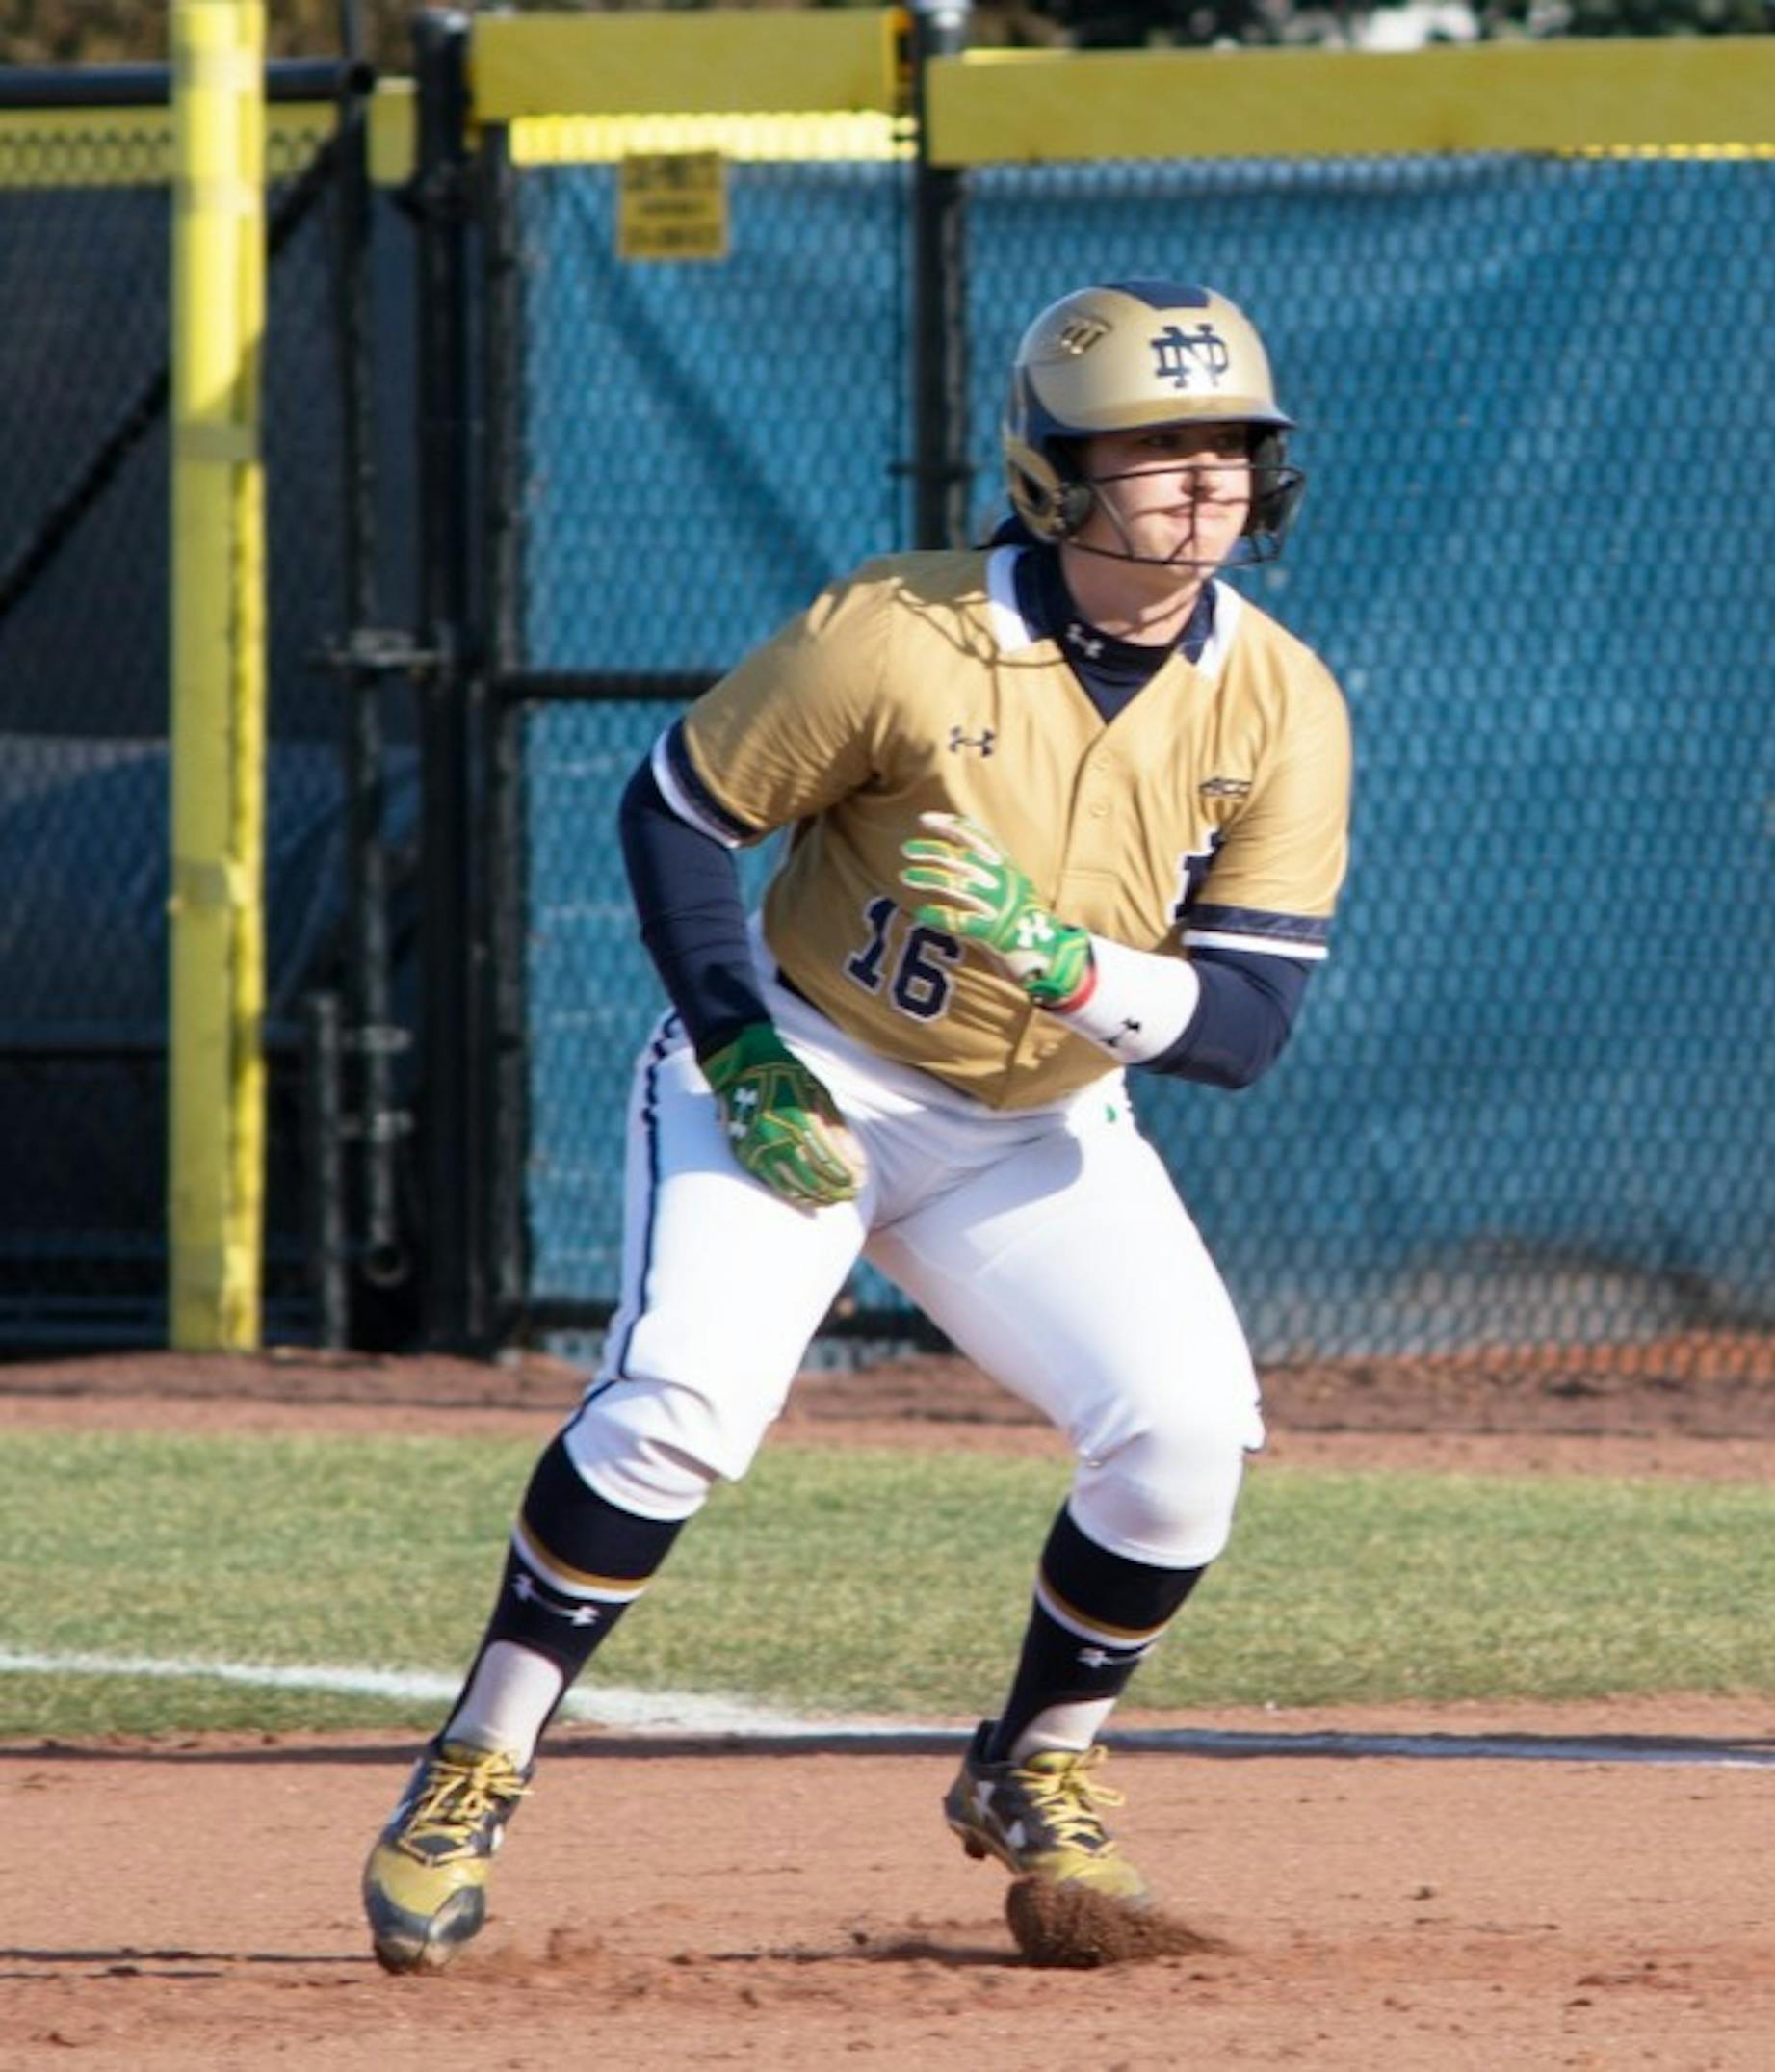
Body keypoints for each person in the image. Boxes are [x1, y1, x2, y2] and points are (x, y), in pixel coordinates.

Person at [362, 278, 1353, 1973]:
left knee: (1185, 1440)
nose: (1204, 480)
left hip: (1038, 1119)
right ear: (1051, 474)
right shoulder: (901, 630)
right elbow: (680, 808)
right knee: (678, 1410)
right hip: (815, 1062)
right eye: (1154, 445)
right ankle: (476, 1763)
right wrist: (742, 1047)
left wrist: (1061, 965)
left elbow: (1245, 1031)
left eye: (1231, 445)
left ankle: (1037, 1767)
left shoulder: (1282, 699)